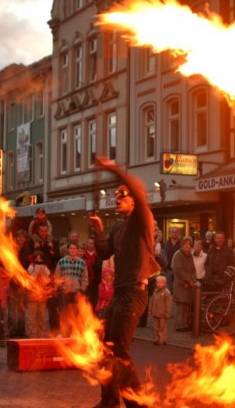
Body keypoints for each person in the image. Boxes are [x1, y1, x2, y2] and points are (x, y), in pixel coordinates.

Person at [88, 156, 157, 408]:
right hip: (118, 293)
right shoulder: (118, 227)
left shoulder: (142, 219)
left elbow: (138, 190)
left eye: (122, 194)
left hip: (134, 294)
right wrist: (97, 231)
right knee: (105, 347)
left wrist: (112, 168)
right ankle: (108, 401)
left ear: (133, 200)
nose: (117, 198)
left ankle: (137, 404)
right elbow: (106, 252)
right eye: (116, 195)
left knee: (119, 348)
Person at [30, 222, 60, 334]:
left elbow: (57, 257)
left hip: (48, 276)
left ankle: (54, 331)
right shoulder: (32, 241)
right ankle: (34, 332)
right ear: (38, 231)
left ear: (48, 231)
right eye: (41, 231)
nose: (43, 233)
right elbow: (30, 257)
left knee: (51, 305)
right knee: (36, 307)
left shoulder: (53, 242)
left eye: (45, 231)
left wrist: (52, 250)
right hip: (35, 278)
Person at [55, 242, 88, 338]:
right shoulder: (62, 261)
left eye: (75, 249)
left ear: (77, 250)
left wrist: (82, 288)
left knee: (76, 313)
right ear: (68, 249)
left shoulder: (82, 262)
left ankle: (74, 332)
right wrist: (59, 286)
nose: (73, 250)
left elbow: (85, 278)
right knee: (63, 313)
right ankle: (64, 332)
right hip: (65, 291)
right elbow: (57, 275)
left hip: (76, 291)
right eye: (71, 248)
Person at [8, 229, 31, 338]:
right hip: (11, 282)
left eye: (23, 237)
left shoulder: (27, 251)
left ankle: (21, 331)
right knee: (12, 308)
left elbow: (29, 267)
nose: (21, 239)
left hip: (22, 283)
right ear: (16, 238)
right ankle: (11, 330)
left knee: (21, 308)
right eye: (19, 237)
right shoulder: (10, 250)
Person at [171, 236, 196, 332]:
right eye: (185, 244)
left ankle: (185, 324)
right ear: (182, 245)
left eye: (189, 244)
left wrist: (192, 280)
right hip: (181, 284)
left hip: (189, 284)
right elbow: (179, 270)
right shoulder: (178, 255)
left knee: (186, 305)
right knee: (180, 306)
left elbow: (193, 269)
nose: (187, 246)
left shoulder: (190, 255)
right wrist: (188, 280)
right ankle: (179, 325)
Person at [26, 250, 51, 338]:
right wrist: (36, 271)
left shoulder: (45, 267)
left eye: (40, 258)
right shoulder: (31, 267)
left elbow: (48, 278)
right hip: (32, 296)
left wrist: (43, 270)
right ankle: (32, 334)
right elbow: (30, 278)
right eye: (37, 258)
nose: (39, 260)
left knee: (42, 316)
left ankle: (42, 333)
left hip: (42, 295)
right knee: (32, 317)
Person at [148, 275, 173, 345]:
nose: (159, 284)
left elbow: (168, 304)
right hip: (155, 312)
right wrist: (150, 310)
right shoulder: (155, 292)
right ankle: (157, 339)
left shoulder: (167, 293)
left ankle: (162, 339)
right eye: (157, 282)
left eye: (161, 282)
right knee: (156, 327)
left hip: (162, 314)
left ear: (165, 283)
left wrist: (168, 313)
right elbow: (151, 302)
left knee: (162, 327)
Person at [162, 226, 181, 292]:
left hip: (178, 271)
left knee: (177, 290)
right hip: (168, 270)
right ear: (170, 233)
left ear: (179, 233)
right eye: (173, 232)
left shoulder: (181, 245)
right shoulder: (165, 244)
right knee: (168, 290)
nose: (174, 233)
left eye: (176, 232)